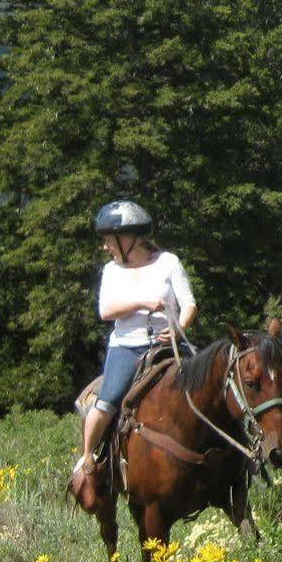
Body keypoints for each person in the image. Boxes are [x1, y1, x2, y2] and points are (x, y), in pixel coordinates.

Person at [69, 200, 198, 505]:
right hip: (127, 346)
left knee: (209, 385)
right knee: (107, 401)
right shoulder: (112, 271)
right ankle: (88, 459)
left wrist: (178, 327)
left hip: (168, 344)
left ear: (128, 239)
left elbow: (189, 303)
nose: (105, 247)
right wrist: (142, 302)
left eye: (108, 240)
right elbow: (106, 311)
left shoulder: (169, 262)